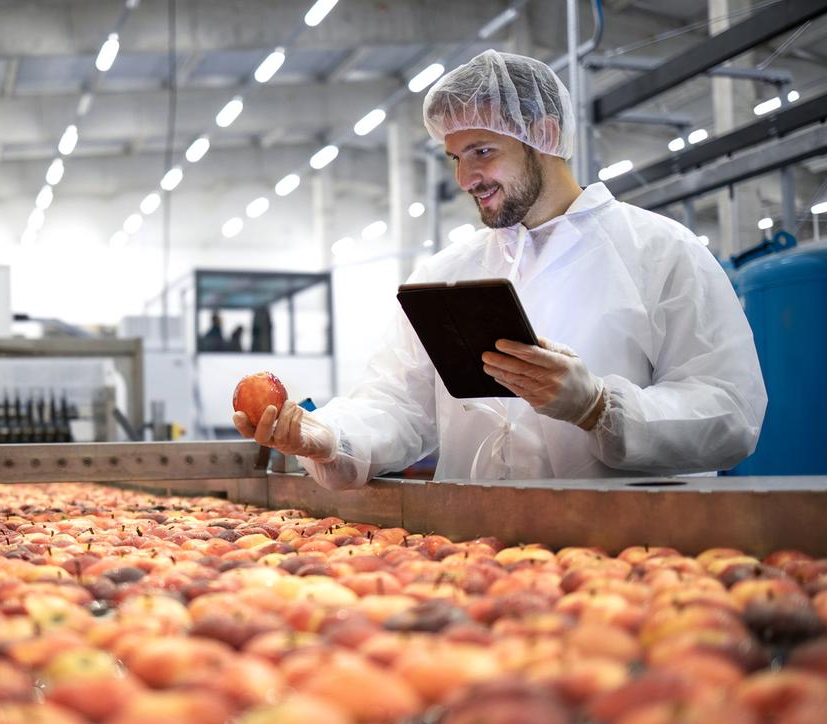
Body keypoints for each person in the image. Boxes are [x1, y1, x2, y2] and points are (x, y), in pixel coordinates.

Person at [233, 49, 767, 490]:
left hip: (630, 555)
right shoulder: (446, 275)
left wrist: (600, 407)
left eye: (482, 151)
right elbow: (396, 403)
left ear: (546, 133)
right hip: (479, 552)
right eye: (455, 157)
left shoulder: (662, 254)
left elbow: (729, 413)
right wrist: (328, 437)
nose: (466, 177)